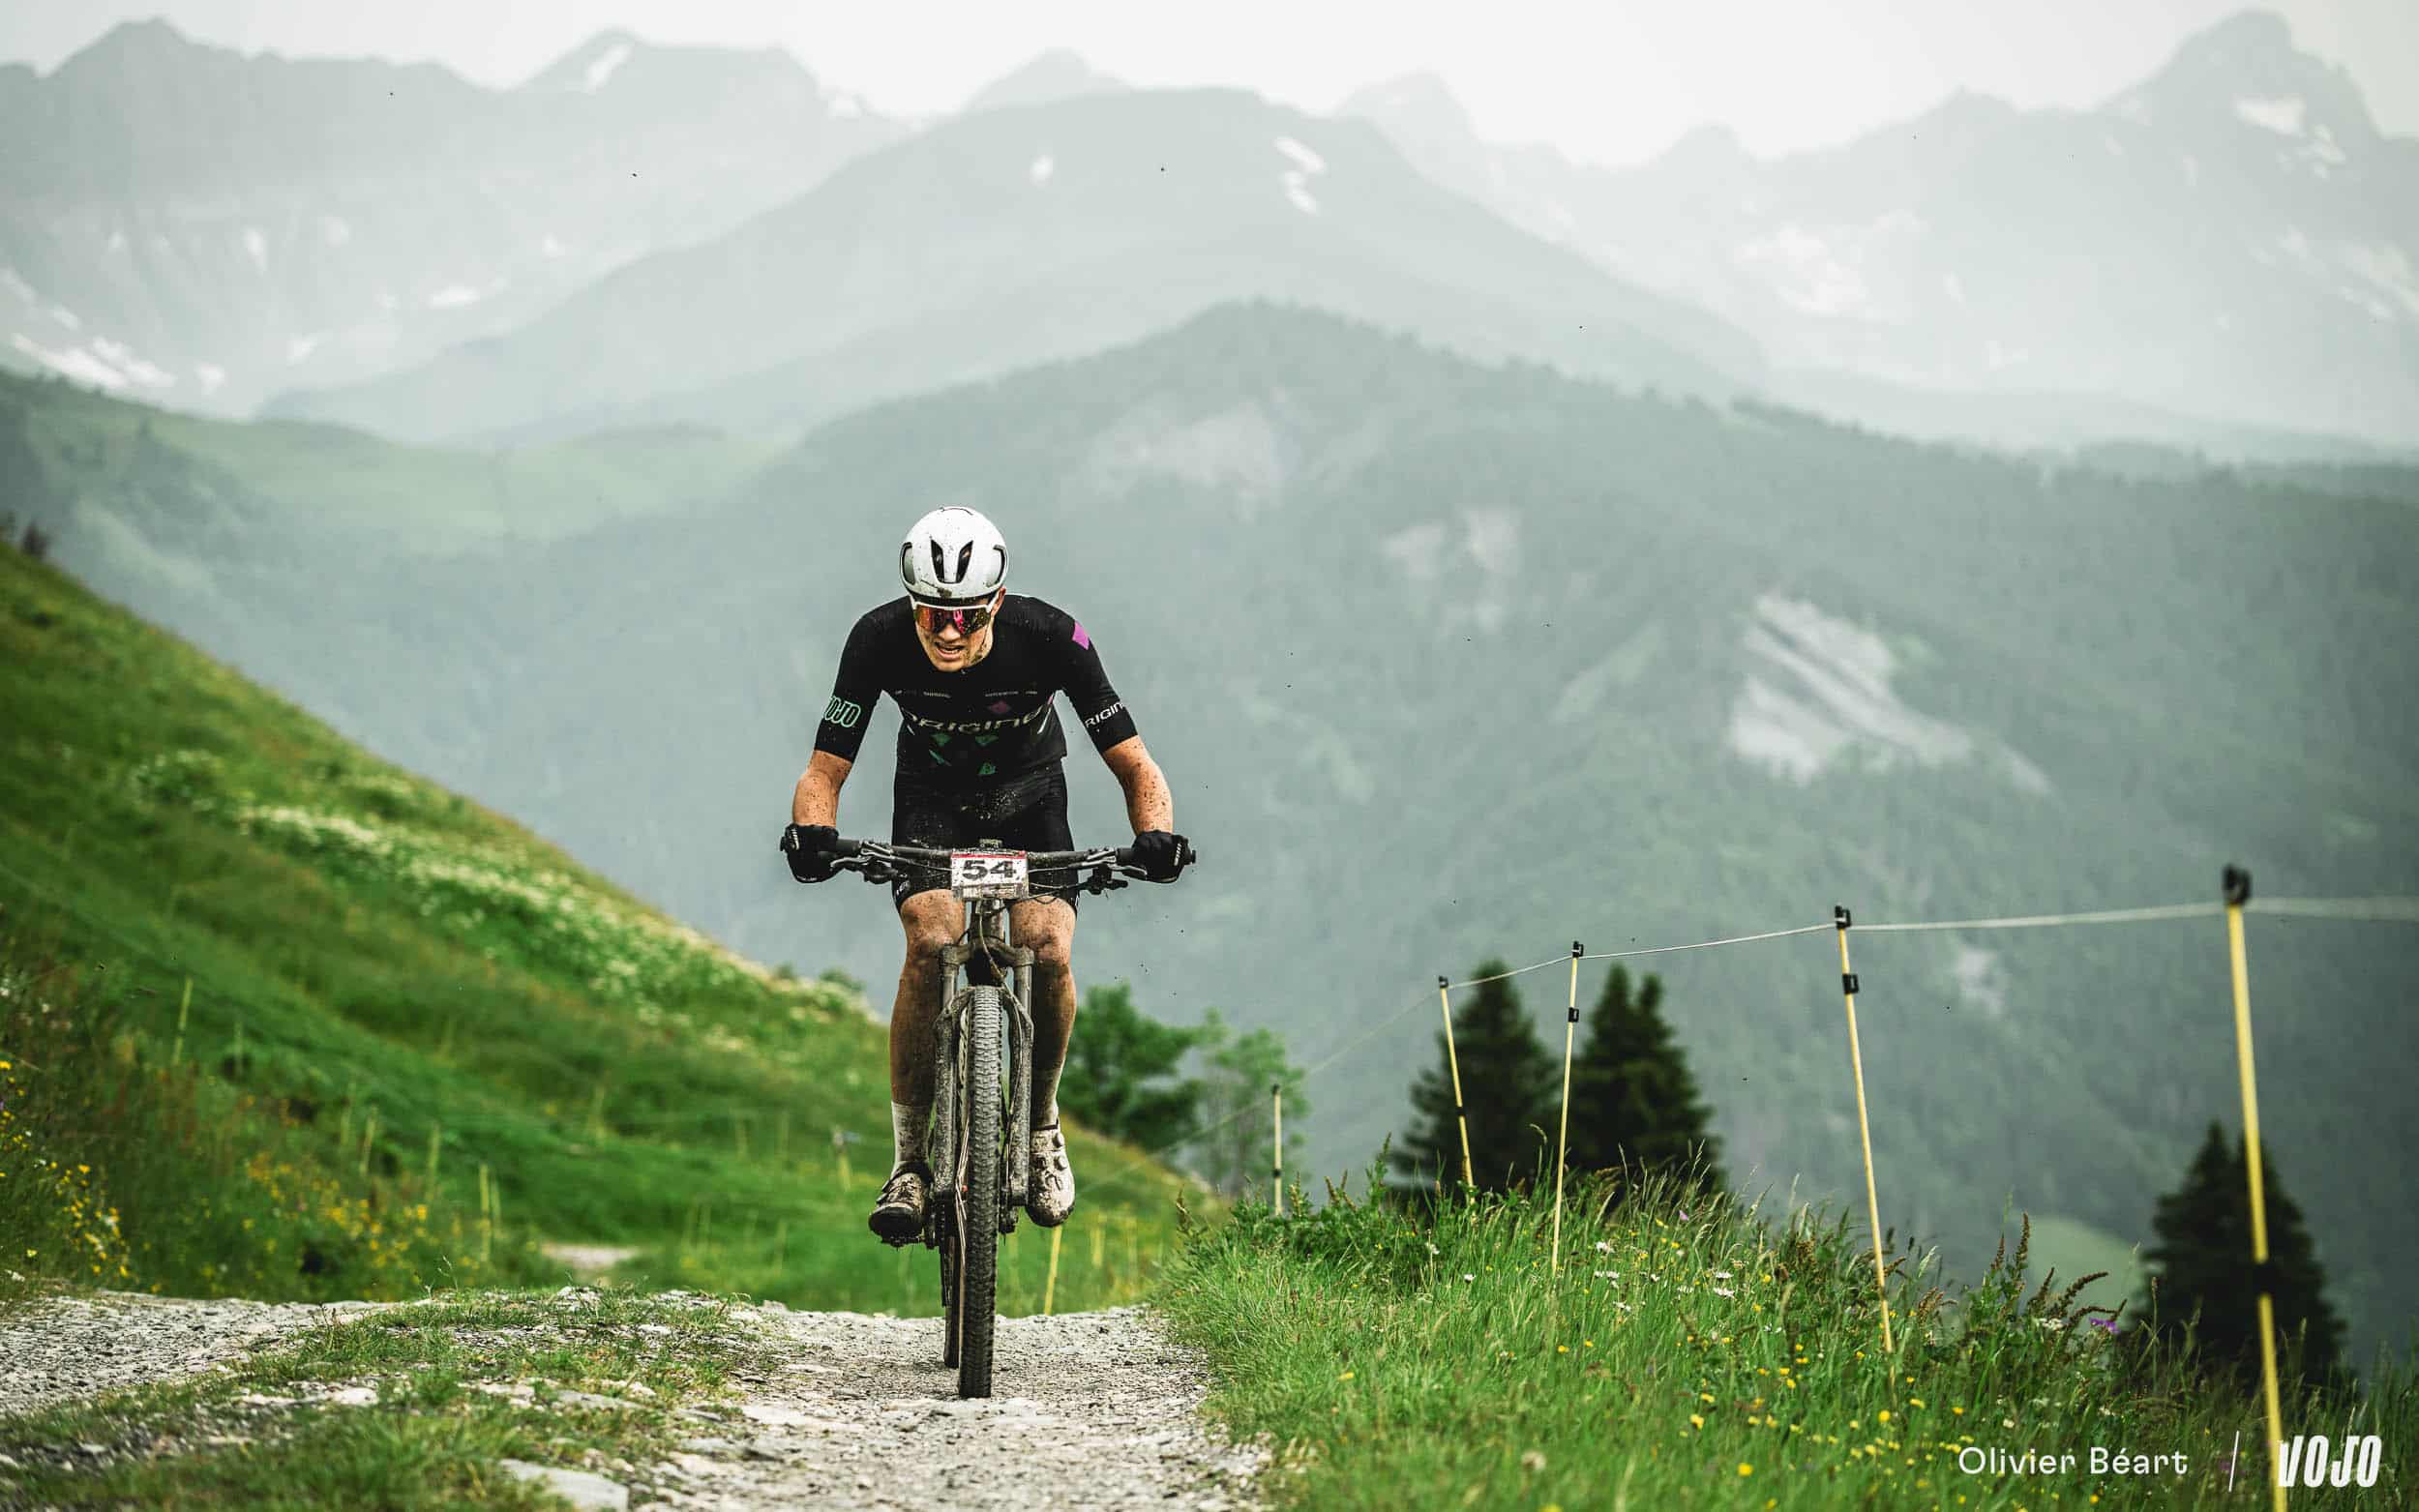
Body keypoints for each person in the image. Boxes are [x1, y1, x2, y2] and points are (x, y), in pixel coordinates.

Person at [780, 505, 1192, 1243]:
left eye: (965, 616)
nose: (946, 631)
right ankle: (909, 1162)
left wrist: (1154, 835)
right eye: (931, 613)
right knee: (930, 938)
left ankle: (1039, 1129)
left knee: (1049, 944)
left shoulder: (1054, 637)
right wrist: (813, 831)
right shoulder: (874, 639)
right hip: (932, 802)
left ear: (996, 602)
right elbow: (824, 768)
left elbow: (1135, 762)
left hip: (1033, 796)